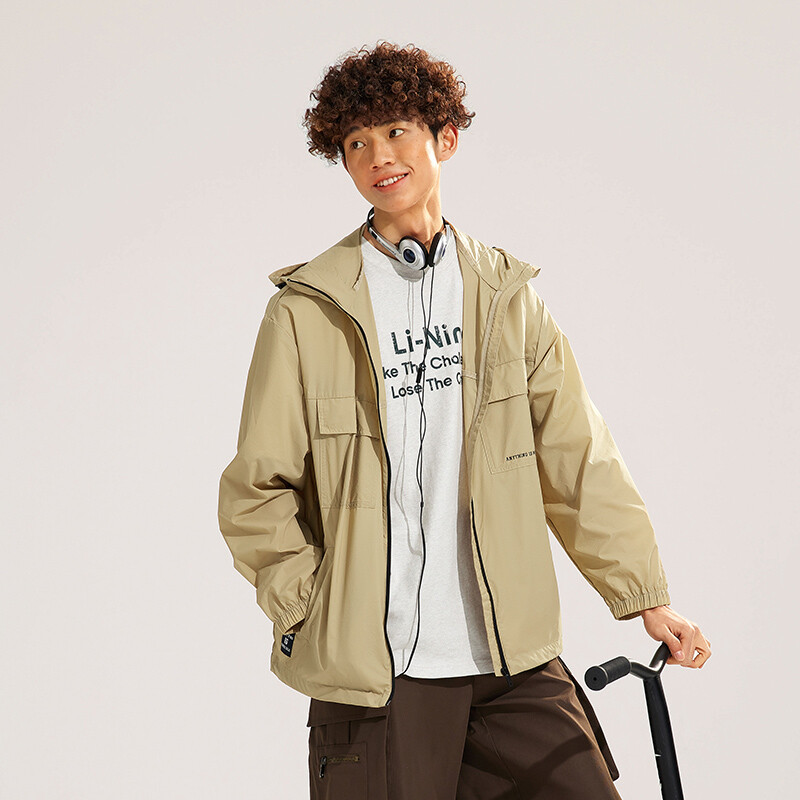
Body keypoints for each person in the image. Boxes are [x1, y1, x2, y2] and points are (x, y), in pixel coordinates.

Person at [218, 41, 711, 799]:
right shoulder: (306, 313)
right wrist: (306, 608)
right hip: (382, 674)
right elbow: (257, 489)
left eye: (396, 131)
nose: (378, 157)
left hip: (511, 660)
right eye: (356, 143)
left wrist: (645, 595)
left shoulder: (507, 298)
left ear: (444, 137)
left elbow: (578, 457)